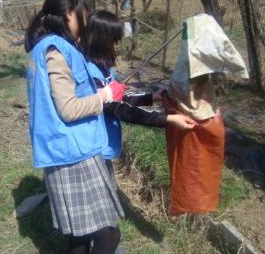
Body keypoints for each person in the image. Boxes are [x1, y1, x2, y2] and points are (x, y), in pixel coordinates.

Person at [25, 0, 127, 254]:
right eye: (82, 12)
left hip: (59, 151)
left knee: (78, 236)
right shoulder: (57, 49)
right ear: (69, 13)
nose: (85, 19)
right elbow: (68, 108)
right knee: (108, 235)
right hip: (74, 154)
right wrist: (105, 95)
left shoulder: (43, 48)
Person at [83, 10, 196, 163]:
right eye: (113, 41)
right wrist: (167, 119)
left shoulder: (105, 69)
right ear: (100, 41)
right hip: (96, 152)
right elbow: (122, 110)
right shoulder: (90, 75)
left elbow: (121, 98)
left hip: (107, 146)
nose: (117, 46)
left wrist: (150, 98)